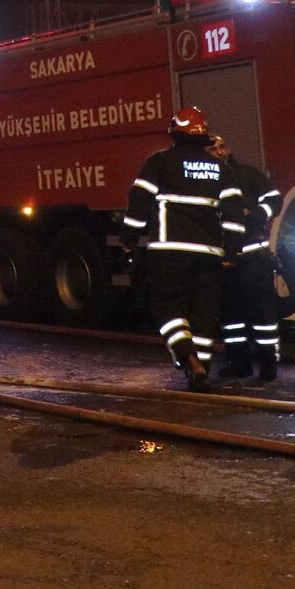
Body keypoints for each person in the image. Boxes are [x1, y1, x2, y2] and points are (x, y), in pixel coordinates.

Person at [122, 106, 241, 390]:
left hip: (169, 252)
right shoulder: (220, 168)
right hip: (209, 254)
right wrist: (232, 251)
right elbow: (235, 214)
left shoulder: (159, 162)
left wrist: (130, 237)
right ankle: (201, 371)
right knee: (204, 314)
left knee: (167, 309)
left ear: (174, 132)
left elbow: (139, 202)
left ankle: (188, 358)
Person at [209, 133, 281, 381]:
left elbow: (274, 200)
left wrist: (257, 215)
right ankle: (238, 364)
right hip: (225, 262)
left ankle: (268, 366)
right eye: (213, 149)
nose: (219, 152)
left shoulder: (248, 175)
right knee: (231, 318)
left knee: (262, 316)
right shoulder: (205, 182)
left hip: (254, 259)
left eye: (222, 147)